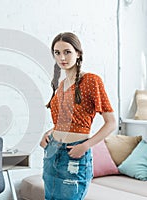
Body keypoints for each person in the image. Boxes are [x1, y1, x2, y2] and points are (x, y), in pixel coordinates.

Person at [40, 32, 116, 200]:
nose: (62, 57)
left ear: (78, 53)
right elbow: (64, 123)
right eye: (57, 53)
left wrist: (86, 146)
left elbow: (111, 123)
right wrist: (48, 134)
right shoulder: (60, 85)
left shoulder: (91, 81)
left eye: (67, 52)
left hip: (75, 152)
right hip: (52, 151)